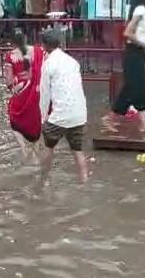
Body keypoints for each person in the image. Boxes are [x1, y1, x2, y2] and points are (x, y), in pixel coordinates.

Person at [102, 0, 145, 134]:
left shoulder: (142, 9)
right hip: (134, 52)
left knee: (132, 88)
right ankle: (114, 119)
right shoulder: (140, 9)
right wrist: (144, 45)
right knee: (136, 88)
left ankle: (129, 121)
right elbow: (128, 33)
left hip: (137, 53)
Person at [39, 28, 89, 184]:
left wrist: (43, 117)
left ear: (45, 46)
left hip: (60, 115)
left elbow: (44, 94)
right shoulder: (72, 61)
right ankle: (84, 181)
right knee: (77, 151)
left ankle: (43, 181)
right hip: (79, 113)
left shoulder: (48, 64)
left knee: (48, 148)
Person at [5, 29, 45, 159]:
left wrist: (14, 86)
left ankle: (24, 149)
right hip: (37, 91)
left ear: (13, 42)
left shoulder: (10, 56)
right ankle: (36, 149)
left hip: (21, 91)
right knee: (38, 119)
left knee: (13, 118)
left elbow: (8, 81)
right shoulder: (38, 51)